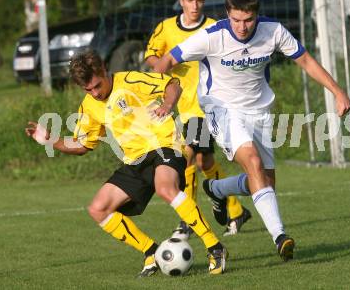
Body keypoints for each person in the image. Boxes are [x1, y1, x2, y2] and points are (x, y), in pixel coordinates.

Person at [154, 0, 350, 262]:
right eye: (236, 19)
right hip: (221, 108)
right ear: (227, 14)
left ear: (256, 16)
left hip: (259, 111)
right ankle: (280, 236)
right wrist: (157, 97)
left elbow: (305, 60)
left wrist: (337, 91)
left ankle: (217, 189)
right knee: (254, 162)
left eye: (248, 20)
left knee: (265, 183)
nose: (242, 26)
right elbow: (166, 61)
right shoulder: (212, 36)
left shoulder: (273, 31)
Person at [24, 50, 227, 276]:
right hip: (135, 160)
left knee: (165, 187)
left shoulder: (130, 80)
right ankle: (151, 252)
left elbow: (173, 84)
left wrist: (168, 105)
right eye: (88, 89)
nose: (95, 93)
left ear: (104, 70)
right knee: (98, 208)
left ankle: (215, 247)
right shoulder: (89, 105)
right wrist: (49, 139)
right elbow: (82, 145)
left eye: (97, 86)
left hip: (165, 145)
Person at [144, 0, 251, 238]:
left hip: (209, 106)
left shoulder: (215, 27)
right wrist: (167, 63)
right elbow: (150, 55)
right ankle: (237, 211)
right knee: (205, 161)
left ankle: (188, 221)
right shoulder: (167, 28)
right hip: (185, 107)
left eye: (200, 1)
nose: (195, 6)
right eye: (190, 1)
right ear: (181, 1)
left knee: (188, 156)